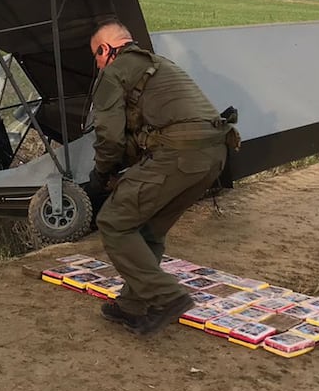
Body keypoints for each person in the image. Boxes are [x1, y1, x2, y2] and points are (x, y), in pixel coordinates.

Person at [86, 18, 237, 336]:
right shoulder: (159, 66)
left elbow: (109, 136)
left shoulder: (115, 72)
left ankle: (167, 297)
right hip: (213, 156)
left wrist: (101, 174)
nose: (97, 65)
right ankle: (132, 305)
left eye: (96, 57)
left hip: (181, 155)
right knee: (148, 228)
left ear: (105, 49)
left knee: (114, 221)